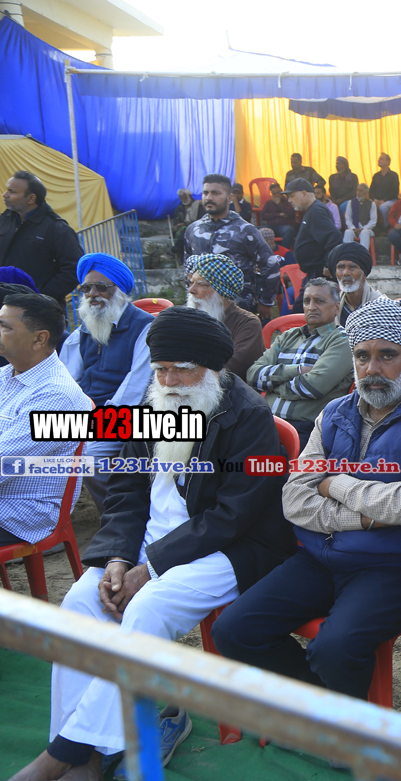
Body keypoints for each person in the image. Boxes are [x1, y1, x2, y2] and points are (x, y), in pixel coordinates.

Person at [7, 305, 294, 781]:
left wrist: (150, 568)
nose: (170, 380)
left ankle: (65, 755)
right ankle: (87, 754)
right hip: (145, 544)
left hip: (227, 549)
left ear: (213, 368)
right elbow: (125, 488)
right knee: (79, 603)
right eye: (161, 369)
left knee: (146, 610)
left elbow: (233, 515)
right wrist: (119, 557)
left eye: (183, 368)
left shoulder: (247, 416)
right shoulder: (153, 403)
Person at [213, 296, 401, 704]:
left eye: (387, 355)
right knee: (233, 630)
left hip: (394, 567)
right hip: (320, 558)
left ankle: (339, 722)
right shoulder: (333, 413)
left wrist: (335, 485)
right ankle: (320, 706)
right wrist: (366, 518)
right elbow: (294, 499)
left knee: (334, 649)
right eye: (362, 356)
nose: (373, 368)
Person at [60, 254, 155, 514]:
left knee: (91, 457)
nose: (93, 294)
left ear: (120, 289)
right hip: (87, 413)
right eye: (86, 288)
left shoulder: (145, 328)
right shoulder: (83, 331)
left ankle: (119, 517)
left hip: (127, 414)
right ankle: (49, 523)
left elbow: (134, 389)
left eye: (101, 287)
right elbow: (67, 381)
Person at [0, 293, 91, 546]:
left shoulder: (56, 395)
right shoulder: (6, 375)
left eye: (4, 327)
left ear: (39, 339)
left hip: (20, 512)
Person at [247, 276, 353, 446]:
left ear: (336, 307)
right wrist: (295, 370)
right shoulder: (288, 336)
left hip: (306, 430)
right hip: (264, 421)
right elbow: (253, 376)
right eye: (306, 301)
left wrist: (273, 386)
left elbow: (312, 387)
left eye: (319, 301)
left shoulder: (342, 340)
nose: (311, 307)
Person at [184, 173, 280, 320]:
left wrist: (266, 301)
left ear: (229, 198)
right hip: (201, 306)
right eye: (205, 193)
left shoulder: (245, 230)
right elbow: (187, 268)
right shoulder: (193, 230)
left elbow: (270, 264)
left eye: (215, 193)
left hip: (237, 306)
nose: (209, 197)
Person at [0, 171, 84, 304]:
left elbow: (74, 269)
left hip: (38, 310)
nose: (5, 195)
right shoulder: (3, 220)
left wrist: (40, 296)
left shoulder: (57, 229)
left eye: (12, 192)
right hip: (4, 305)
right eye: (6, 190)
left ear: (31, 198)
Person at [185, 254, 265, 379]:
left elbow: (232, 368)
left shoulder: (247, 323)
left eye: (201, 284)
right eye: (191, 282)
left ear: (222, 292)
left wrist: (188, 374)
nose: (191, 289)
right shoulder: (187, 319)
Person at [284, 178, 342, 302]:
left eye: (292, 196)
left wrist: (328, 264)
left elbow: (334, 237)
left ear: (304, 193)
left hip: (319, 274)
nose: (289, 200)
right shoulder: (313, 210)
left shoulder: (316, 211)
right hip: (313, 274)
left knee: (303, 309)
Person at [324, 243, 383, 331]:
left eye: (352, 267)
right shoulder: (332, 307)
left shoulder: (382, 306)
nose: (346, 273)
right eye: (341, 267)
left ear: (364, 274)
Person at [259, 182, 298, 249]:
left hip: (284, 226)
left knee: (289, 230)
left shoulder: (288, 201)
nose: (277, 195)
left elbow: (291, 213)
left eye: (278, 192)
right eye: (274, 194)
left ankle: (284, 251)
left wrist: (279, 204)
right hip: (271, 226)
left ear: (282, 192)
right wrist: (278, 214)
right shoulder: (269, 203)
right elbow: (263, 216)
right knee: (255, 229)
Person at [170, 189, 202, 263]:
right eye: (181, 198)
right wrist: (177, 225)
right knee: (181, 233)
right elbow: (176, 220)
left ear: (189, 196)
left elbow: (201, 220)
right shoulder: (180, 208)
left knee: (183, 231)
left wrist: (185, 224)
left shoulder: (198, 206)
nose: (183, 200)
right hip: (183, 229)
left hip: (196, 228)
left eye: (185, 197)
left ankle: (173, 251)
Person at [342, 183, 377, 248]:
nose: (358, 192)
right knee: (348, 232)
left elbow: (373, 221)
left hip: (367, 229)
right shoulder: (351, 202)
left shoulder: (372, 204)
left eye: (361, 191)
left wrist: (362, 229)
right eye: (357, 190)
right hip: (354, 228)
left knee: (364, 233)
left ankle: (362, 253)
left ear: (366, 193)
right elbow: (348, 218)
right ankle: (347, 253)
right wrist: (353, 228)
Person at [369, 153, 400, 219]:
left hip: (390, 200)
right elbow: (371, 190)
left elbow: (394, 192)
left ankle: (386, 225)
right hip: (377, 200)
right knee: (367, 205)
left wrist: (384, 200)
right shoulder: (376, 175)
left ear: (388, 162)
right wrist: (374, 199)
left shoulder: (394, 175)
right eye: (379, 159)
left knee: (383, 207)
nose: (379, 160)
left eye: (381, 159)